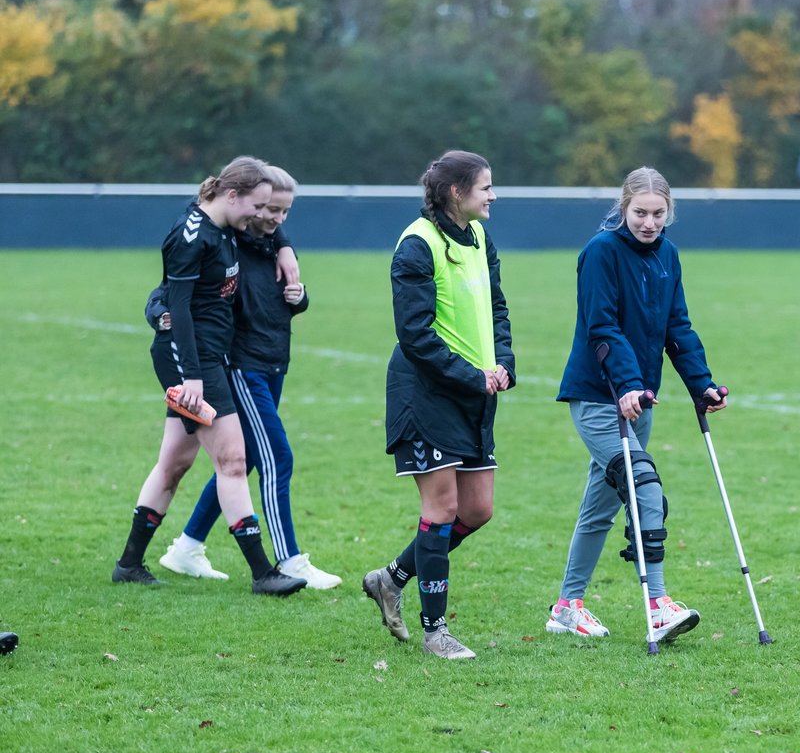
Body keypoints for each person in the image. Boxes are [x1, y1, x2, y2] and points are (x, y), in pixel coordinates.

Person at [545, 167, 726, 642]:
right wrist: (625, 383)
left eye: (658, 214)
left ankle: (567, 605)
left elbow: (677, 328)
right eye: (640, 213)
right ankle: (658, 605)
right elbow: (601, 327)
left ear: (670, 212)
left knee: (599, 507)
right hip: (598, 396)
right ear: (623, 209)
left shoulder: (668, 254)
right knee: (643, 484)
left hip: (639, 399)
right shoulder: (600, 253)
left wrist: (702, 385)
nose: (649, 222)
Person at [115, 156, 306, 596]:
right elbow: (176, 305)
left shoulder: (225, 228)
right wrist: (194, 378)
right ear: (231, 195)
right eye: (257, 206)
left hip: (207, 360)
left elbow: (271, 228)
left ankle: (128, 564)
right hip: (193, 362)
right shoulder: (193, 237)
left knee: (175, 463)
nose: (262, 215)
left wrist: (285, 246)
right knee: (233, 461)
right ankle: (263, 573)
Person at [150, 166, 341, 590]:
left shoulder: (269, 240)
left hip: (274, 360)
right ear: (244, 202)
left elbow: (273, 301)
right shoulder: (224, 235)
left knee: (243, 461)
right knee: (275, 458)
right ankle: (288, 560)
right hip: (240, 364)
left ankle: (186, 546)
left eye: (285, 211)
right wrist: (157, 315)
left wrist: (298, 295)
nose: (276, 217)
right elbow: (171, 292)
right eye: (269, 208)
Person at [360, 150, 514, 660]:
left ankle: (391, 579)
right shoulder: (416, 245)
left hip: (473, 393)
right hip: (425, 393)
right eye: (486, 187)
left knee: (477, 509)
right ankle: (436, 632)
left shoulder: (479, 239)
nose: (493, 195)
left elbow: (496, 307)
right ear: (456, 192)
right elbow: (415, 335)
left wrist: (503, 363)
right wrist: (473, 375)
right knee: (442, 508)